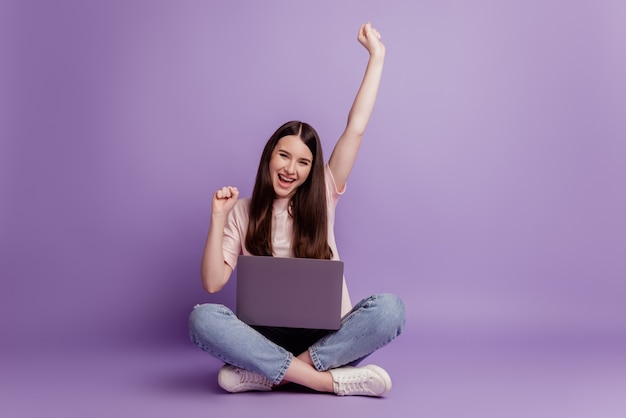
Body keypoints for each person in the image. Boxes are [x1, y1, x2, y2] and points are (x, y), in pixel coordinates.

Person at [188, 22, 405, 397]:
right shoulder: (243, 211)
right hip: (263, 335)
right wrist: (218, 218)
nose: (291, 169)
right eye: (284, 156)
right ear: (269, 157)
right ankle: (326, 382)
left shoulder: (323, 194)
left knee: (390, 309)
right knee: (202, 317)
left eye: (303, 162)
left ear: (311, 171)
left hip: (325, 338)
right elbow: (212, 282)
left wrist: (377, 58)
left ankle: (269, 374)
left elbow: (355, 128)